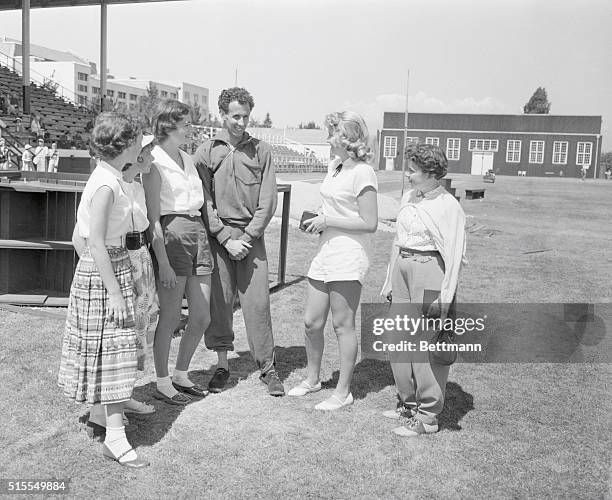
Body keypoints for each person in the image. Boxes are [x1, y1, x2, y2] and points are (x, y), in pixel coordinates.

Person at [58, 112, 149, 467]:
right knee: (115, 353)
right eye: (138, 139)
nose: (141, 145)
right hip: (106, 274)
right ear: (124, 144)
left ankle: (100, 416)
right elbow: (92, 241)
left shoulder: (113, 178)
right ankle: (115, 437)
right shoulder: (107, 184)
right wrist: (110, 289)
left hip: (111, 269)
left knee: (113, 349)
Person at [193, 87, 284, 396]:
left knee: (258, 304)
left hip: (250, 239)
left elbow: (268, 200)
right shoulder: (207, 151)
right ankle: (222, 365)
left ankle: (268, 368)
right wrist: (222, 236)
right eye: (235, 116)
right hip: (219, 239)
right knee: (219, 304)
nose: (242, 122)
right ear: (222, 115)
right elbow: (203, 199)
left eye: (246, 116)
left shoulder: (261, 151)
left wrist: (246, 237)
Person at [287, 111, 378, 410]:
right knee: (312, 322)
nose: (326, 139)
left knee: (342, 325)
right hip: (325, 252)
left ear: (346, 137)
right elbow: (334, 206)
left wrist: (329, 220)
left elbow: (369, 222)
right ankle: (313, 380)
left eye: (331, 133)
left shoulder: (363, 172)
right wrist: (318, 219)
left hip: (349, 255)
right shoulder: (335, 166)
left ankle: (342, 392)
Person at [380, 143, 467, 437]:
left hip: (430, 273)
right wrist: (390, 278)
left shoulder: (449, 206)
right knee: (396, 338)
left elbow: (454, 255)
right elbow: (398, 239)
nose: (408, 175)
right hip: (402, 270)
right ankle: (407, 403)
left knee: (425, 344)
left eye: (413, 170)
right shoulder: (409, 196)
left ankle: (428, 416)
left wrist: (446, 295)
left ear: (431, 173)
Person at [72, 134, 159, 423]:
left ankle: (123, 396)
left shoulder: (135, 186)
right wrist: (100, 271)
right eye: (148, 150)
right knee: (117, 337)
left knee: (137, 334)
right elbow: (83, 237)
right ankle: (106, 410)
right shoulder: (109, 184)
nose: (151, 156)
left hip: (137, 259)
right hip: (117, 263)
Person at [143, 99, 212, 406]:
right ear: (168, 126)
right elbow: (153, 218)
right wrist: (164, 262)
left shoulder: (187, 158)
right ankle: (161, 380)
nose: (190, 129)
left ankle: (181, 374)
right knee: (170, 316)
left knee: (201, 316)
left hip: (198, 234)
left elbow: (199, 203)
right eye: (185, 124)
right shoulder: (154, 161)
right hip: (171, 237)